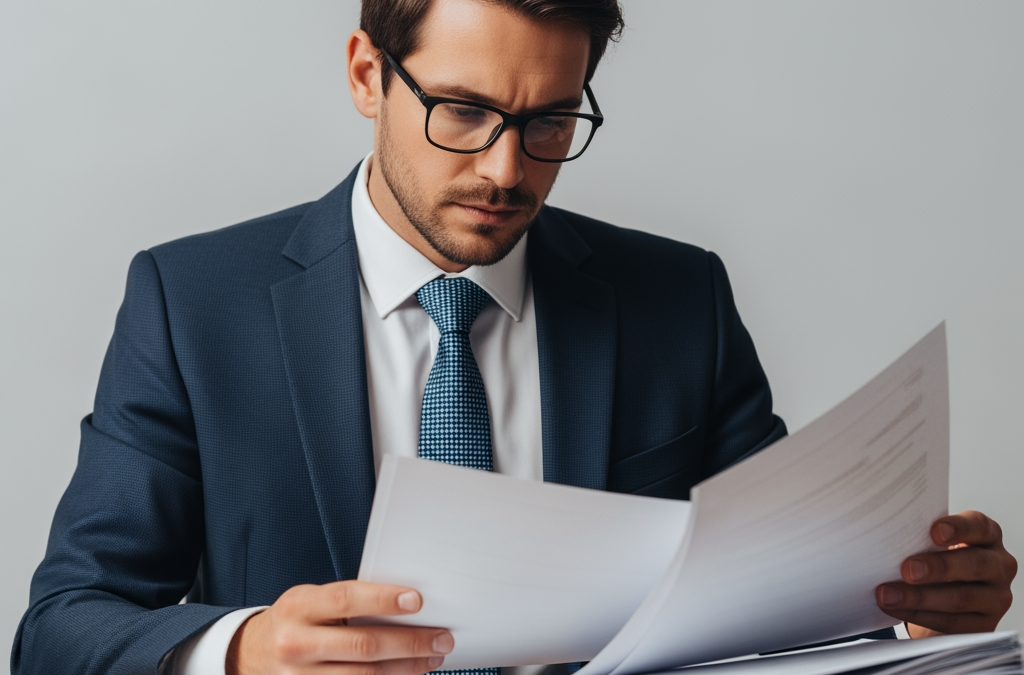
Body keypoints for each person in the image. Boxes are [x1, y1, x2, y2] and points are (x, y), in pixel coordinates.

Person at [11, 1, 1016, 674]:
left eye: (547, 120)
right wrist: (246, 649)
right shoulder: (193, 304)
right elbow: (61, 630)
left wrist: (909, 607)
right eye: (462, 111)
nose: (505, 170)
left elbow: (776, 583)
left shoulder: (678, 298)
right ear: (367, 73)